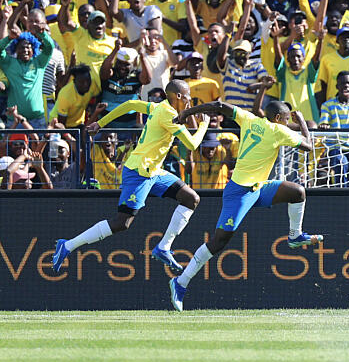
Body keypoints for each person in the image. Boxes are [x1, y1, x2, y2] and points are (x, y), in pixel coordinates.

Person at [168, 99, 318, 311]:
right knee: (219, 242)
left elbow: (219, 105)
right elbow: (308, 146)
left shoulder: (249, 118)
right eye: (286, 120)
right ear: (277, 119)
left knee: (297, 192)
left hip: (259, 188)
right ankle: (180, 282)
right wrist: (302, 121)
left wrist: (188, 112)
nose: (287, 123)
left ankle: (295, 235)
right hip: (238, 193)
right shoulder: (278, 130)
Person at [52, 80, 209, 275]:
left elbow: (130, 105)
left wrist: (100, 123)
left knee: (191, 198)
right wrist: (203, 125)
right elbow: (193, 144)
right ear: (178, 97)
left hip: (153, 172)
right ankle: (67, 246)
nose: (189, 102)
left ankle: (163, 247)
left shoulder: (158, 107)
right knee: (122, 223)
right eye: (187, 97)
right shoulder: (168, 115)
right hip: (138, 173)